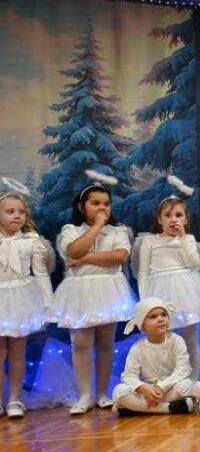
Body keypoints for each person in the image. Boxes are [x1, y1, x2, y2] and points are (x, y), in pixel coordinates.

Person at [49, 174, 136, 415]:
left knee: (106, 342)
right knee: (81, 342)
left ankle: (102, 393)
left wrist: (83, 258)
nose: (102, 208)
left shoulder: (118, 231)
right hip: (79, 291)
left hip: (109, 289)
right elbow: (74, 249)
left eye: (106, 204)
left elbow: (119, 257)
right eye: (95, 203)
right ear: (81, 207)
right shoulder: (70, 230)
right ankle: (85, 394)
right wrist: (96, 227)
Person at [134, 187, 200, 379]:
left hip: (186, 291)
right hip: (159, 292)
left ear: (186, 220)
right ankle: (166, 379)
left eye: (178, 215)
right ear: (159, 219)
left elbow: (194, 265)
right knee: (163, 339)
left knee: (190, 337)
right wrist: (145, 302)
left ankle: (193, 379)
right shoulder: (149, 241)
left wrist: (183, 240)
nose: (173, 219)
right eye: (168, 215)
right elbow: (143, 272)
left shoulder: (189, 239)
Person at [0, 186, 53, 419]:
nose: (16, 216)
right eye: (10, 211)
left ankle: (14, 399)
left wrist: (48, 304)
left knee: (17, 352)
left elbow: (41, 274)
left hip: (22, 298)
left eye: (21, 212)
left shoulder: (32, 241)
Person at [111, 297, 194, 416]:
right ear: (143, 325)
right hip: (147, 392)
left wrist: (162, 387)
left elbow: (183, 369)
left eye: (164, 315)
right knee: (119, 390)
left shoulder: (177, 341)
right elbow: (129, 375)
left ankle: (136, 408)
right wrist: (142, 387)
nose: (160, 319)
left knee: (187, 385)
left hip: (169, 387)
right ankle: (169, 408)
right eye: (153, 317)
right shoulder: (137, 347)